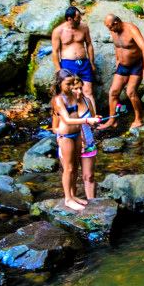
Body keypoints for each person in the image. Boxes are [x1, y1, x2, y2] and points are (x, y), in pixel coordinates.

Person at [51, 75, 98, 211]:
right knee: (69, 169)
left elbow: (89, 118)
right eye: (71, 85)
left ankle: (75, 197)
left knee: (77, 169)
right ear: (61, 84)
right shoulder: (59, 100)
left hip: (80, 137)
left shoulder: (80, 99)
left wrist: (94, 120)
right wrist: (86, 121)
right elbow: (63, 121)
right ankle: (68, 198)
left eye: (77, 87)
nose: (75, 89)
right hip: (66, 136)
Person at [99, 13, 144, 131]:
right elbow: (117, 46)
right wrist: (118, 60)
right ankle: (112, 120)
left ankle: (138, 119)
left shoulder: (131, 29)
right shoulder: (114, 31)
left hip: (136, 65)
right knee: (113, 92)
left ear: (116, 23)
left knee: (130, 92)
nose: (109, 29)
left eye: (110, 27)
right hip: (122, 66)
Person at [51, 6, 97, 106]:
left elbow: (89, 44)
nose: (80, 19)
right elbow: (55, 51)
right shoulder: (58, 31)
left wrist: (92, 62)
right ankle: (76, 118)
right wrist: (58, 70)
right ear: (69, 19)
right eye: (78, 18)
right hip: (68, 64)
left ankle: (94, 119)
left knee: (88, 92)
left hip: (84, 63)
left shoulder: (84, 27)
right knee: (72, 92)